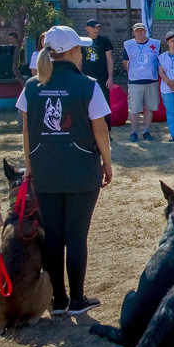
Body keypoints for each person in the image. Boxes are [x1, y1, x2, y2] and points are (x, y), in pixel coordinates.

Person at [17, 25, 112, 315]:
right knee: (76, 236)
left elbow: (26, 132)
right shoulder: (88, 85)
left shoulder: (32, 86)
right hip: (81, 171)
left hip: (45, 171)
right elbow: (100, 131)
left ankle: (58, 301)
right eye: (79, 49)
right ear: (71, 52)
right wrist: (107, 163)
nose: (81, 53)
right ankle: (78, 300)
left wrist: (30, 167)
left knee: (53, 236)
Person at [122, 23, 161, 142]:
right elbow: (125, 62)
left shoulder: (155, 43)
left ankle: (146, 131)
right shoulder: (128, 45)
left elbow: (159, 61)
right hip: (135, 82)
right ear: (134, 32)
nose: (140, 33)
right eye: (137, 31)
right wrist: (133, 73)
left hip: (151, 80)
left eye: (142, 30)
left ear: (145, 31)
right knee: (134, 109)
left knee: (149, 108)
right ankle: (134, 132)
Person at [81, 19, 114, 136]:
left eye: (98, 28)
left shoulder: (104, 41)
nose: (96, 30)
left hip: (102, 78)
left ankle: (107, 131)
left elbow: (109, 60)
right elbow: (78, 61)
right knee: (86, 104)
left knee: (104, 104)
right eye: (93, 28)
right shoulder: (82, 42)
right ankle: (88, 131)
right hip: (85, 78)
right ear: (87, 28)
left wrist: (110, 77)